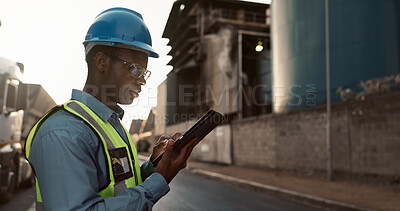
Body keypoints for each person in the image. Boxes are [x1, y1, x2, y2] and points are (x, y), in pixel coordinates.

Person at [25, 7, 198, 210]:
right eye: (135, 68)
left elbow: (121, 185)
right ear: (101, 62)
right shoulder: (64, 132)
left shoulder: (111, 125)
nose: (142, 80)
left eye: (145, 72)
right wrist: (158, 181)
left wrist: (153, 167)